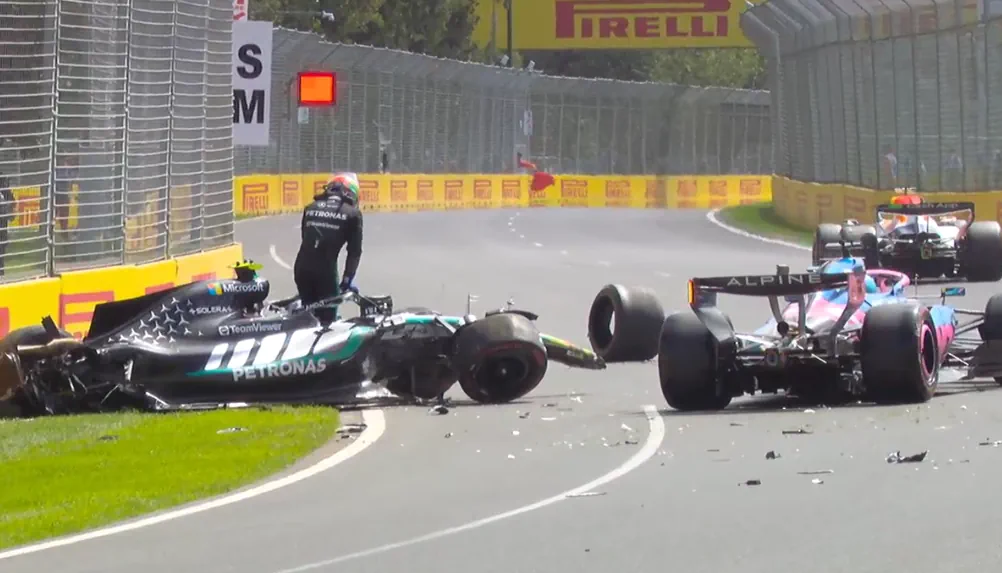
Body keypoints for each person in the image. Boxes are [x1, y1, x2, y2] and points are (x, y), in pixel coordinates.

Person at [293, 172, 363, 322]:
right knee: (327, 322)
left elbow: (307, 239)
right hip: (326, 273)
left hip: (301, 269)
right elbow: (354, 252)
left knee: (308, 319)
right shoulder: (353, 214)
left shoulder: (310, 207)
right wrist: (347, 280)